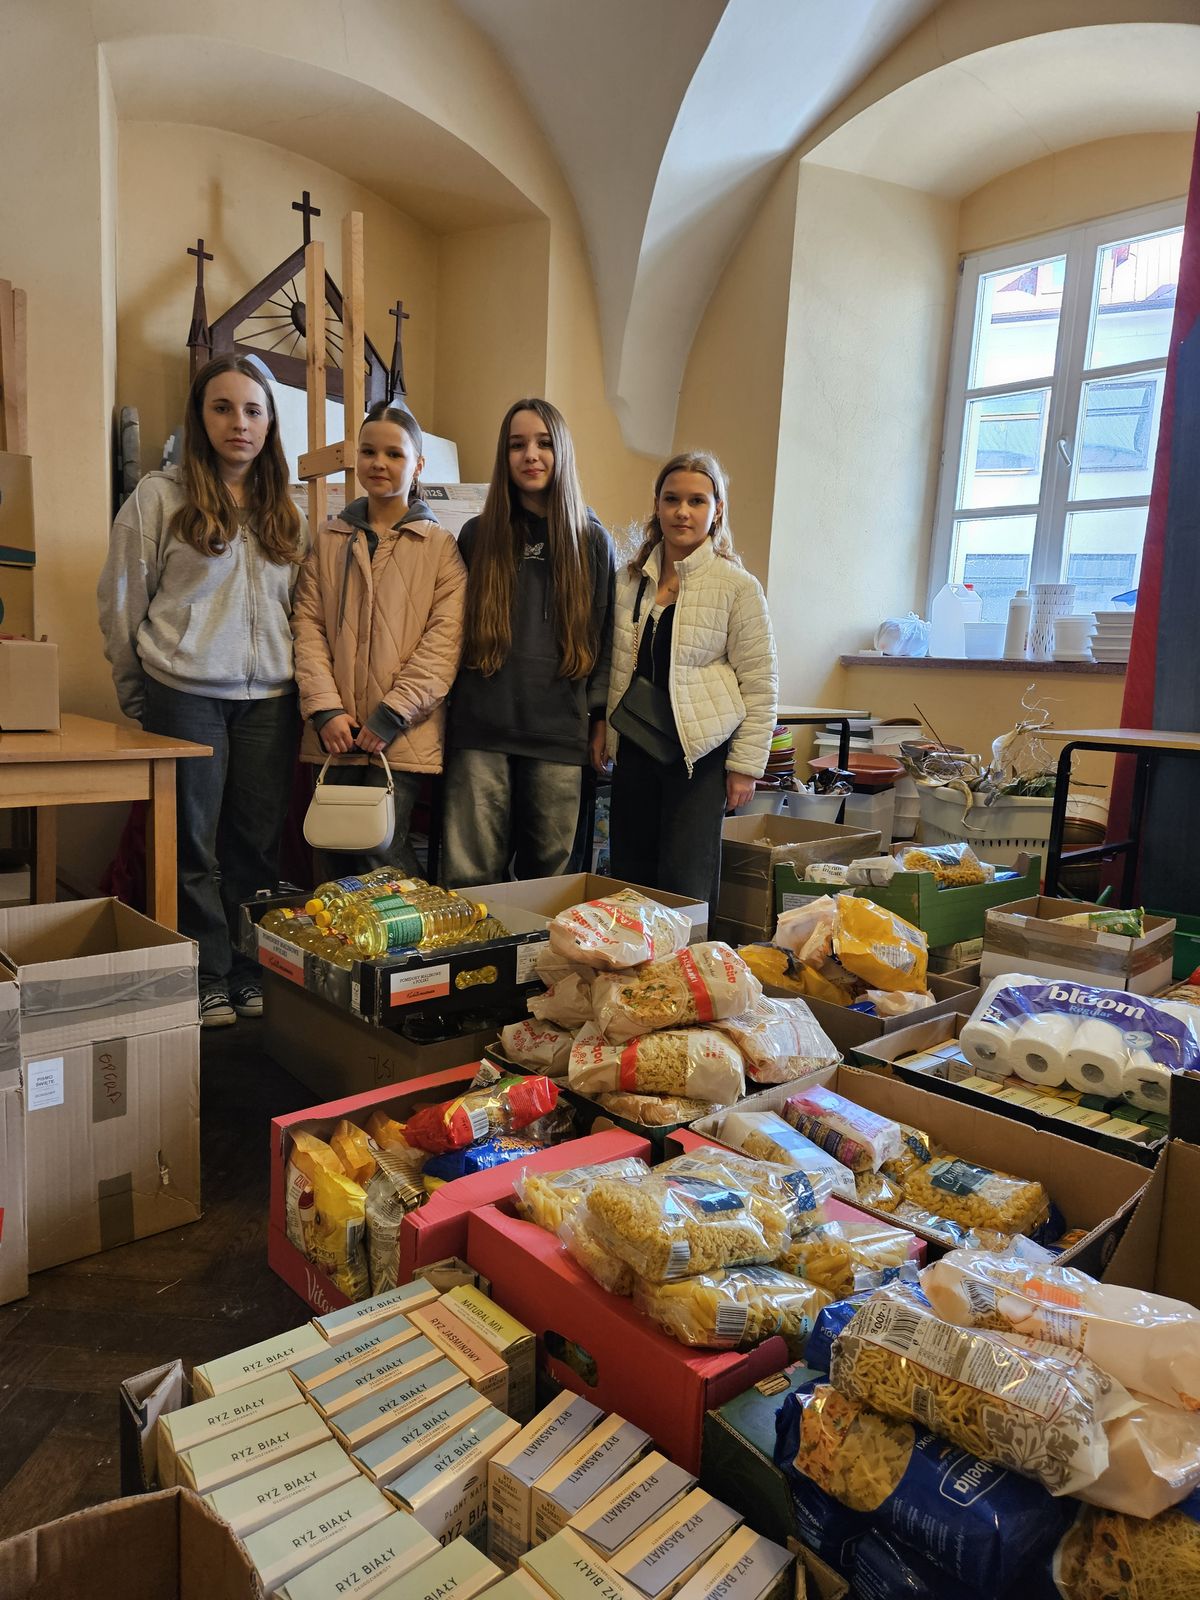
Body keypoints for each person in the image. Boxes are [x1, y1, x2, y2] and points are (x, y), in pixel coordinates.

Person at [98, 354, 307, 1027]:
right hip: (183, 692)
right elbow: (121, 603)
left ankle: (249, 969)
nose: (238, 423)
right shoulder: (158, 498)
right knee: (192, 844)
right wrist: (140, 697)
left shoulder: (288, 510)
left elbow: (302, 611)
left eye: (252, 410)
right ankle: (206, 974)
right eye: (222, 407)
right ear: (200, 417)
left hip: (270, 702)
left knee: (256, 845)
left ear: (269, 424)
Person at [441, 397, 614, 887]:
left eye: (543, 443)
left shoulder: (591, 540)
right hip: (480, 730)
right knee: (470, 876)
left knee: (549, 880)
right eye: (517, 445)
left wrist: (600, 719)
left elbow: (607, 641)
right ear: (505, 456)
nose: (531, 455)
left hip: (559, 732)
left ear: (562, 452)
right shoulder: (476, 535)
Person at [291, 400, 466, 881]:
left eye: (394, 454)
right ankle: (336, 932)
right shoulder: (330, 539)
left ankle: (416, 929)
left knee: (380, 852)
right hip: (335, 731)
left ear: (418, 465)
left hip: (401, 733)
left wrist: (391, 714)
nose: (379, 463)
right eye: (369, 452)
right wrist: (325, 710)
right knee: (330, 851)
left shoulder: (440, 548)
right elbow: (307, 627)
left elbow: (444, 644)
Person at [601, 450, 777, 908]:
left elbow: (760, 683)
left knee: (685, 886)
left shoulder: (737, 587)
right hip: (635, 749)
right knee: (630, 882)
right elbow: (611, 665)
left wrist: (745, 766)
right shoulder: (628, 582)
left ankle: (690, 958)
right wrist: (602, 729)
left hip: (698, 757)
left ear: (717, 510)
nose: (683, 511)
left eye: (697, 501)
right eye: (672, 499)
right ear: (657, 506)